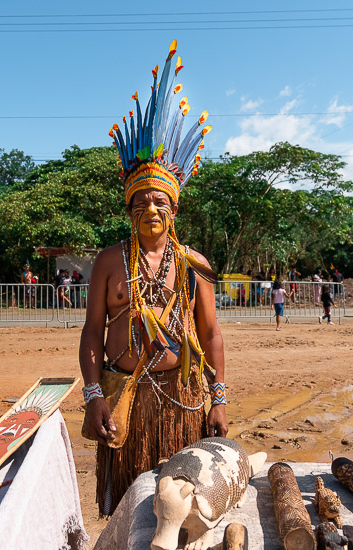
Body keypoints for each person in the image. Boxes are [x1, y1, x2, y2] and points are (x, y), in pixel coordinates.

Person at [79, 41, 226, 517]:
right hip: (123, 398)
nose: (151, 208)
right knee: (128, 513)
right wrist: (94, 395)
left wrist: (218, 398)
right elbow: (91, 332)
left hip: (182, 404)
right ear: (129, 209)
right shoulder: (108, 261)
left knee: (180, 513)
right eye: (141, 200)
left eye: (160, 200)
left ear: (174, 207)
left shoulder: (194, 263)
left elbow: (211, 334)